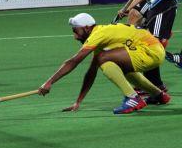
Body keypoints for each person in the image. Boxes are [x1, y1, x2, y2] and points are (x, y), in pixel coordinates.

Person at [38, 13, 170, 114]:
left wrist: (49, 82)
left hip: (150, 51)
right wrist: (78, 101)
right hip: (153, 51)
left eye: (76, 31)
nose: (75, 36)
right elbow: (91, 72)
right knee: (113, 64)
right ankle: (158, 95)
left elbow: (74, 61)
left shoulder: (98, 34)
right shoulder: (100, 36)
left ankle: (132, 98)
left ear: (87, 28)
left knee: (103, 59)